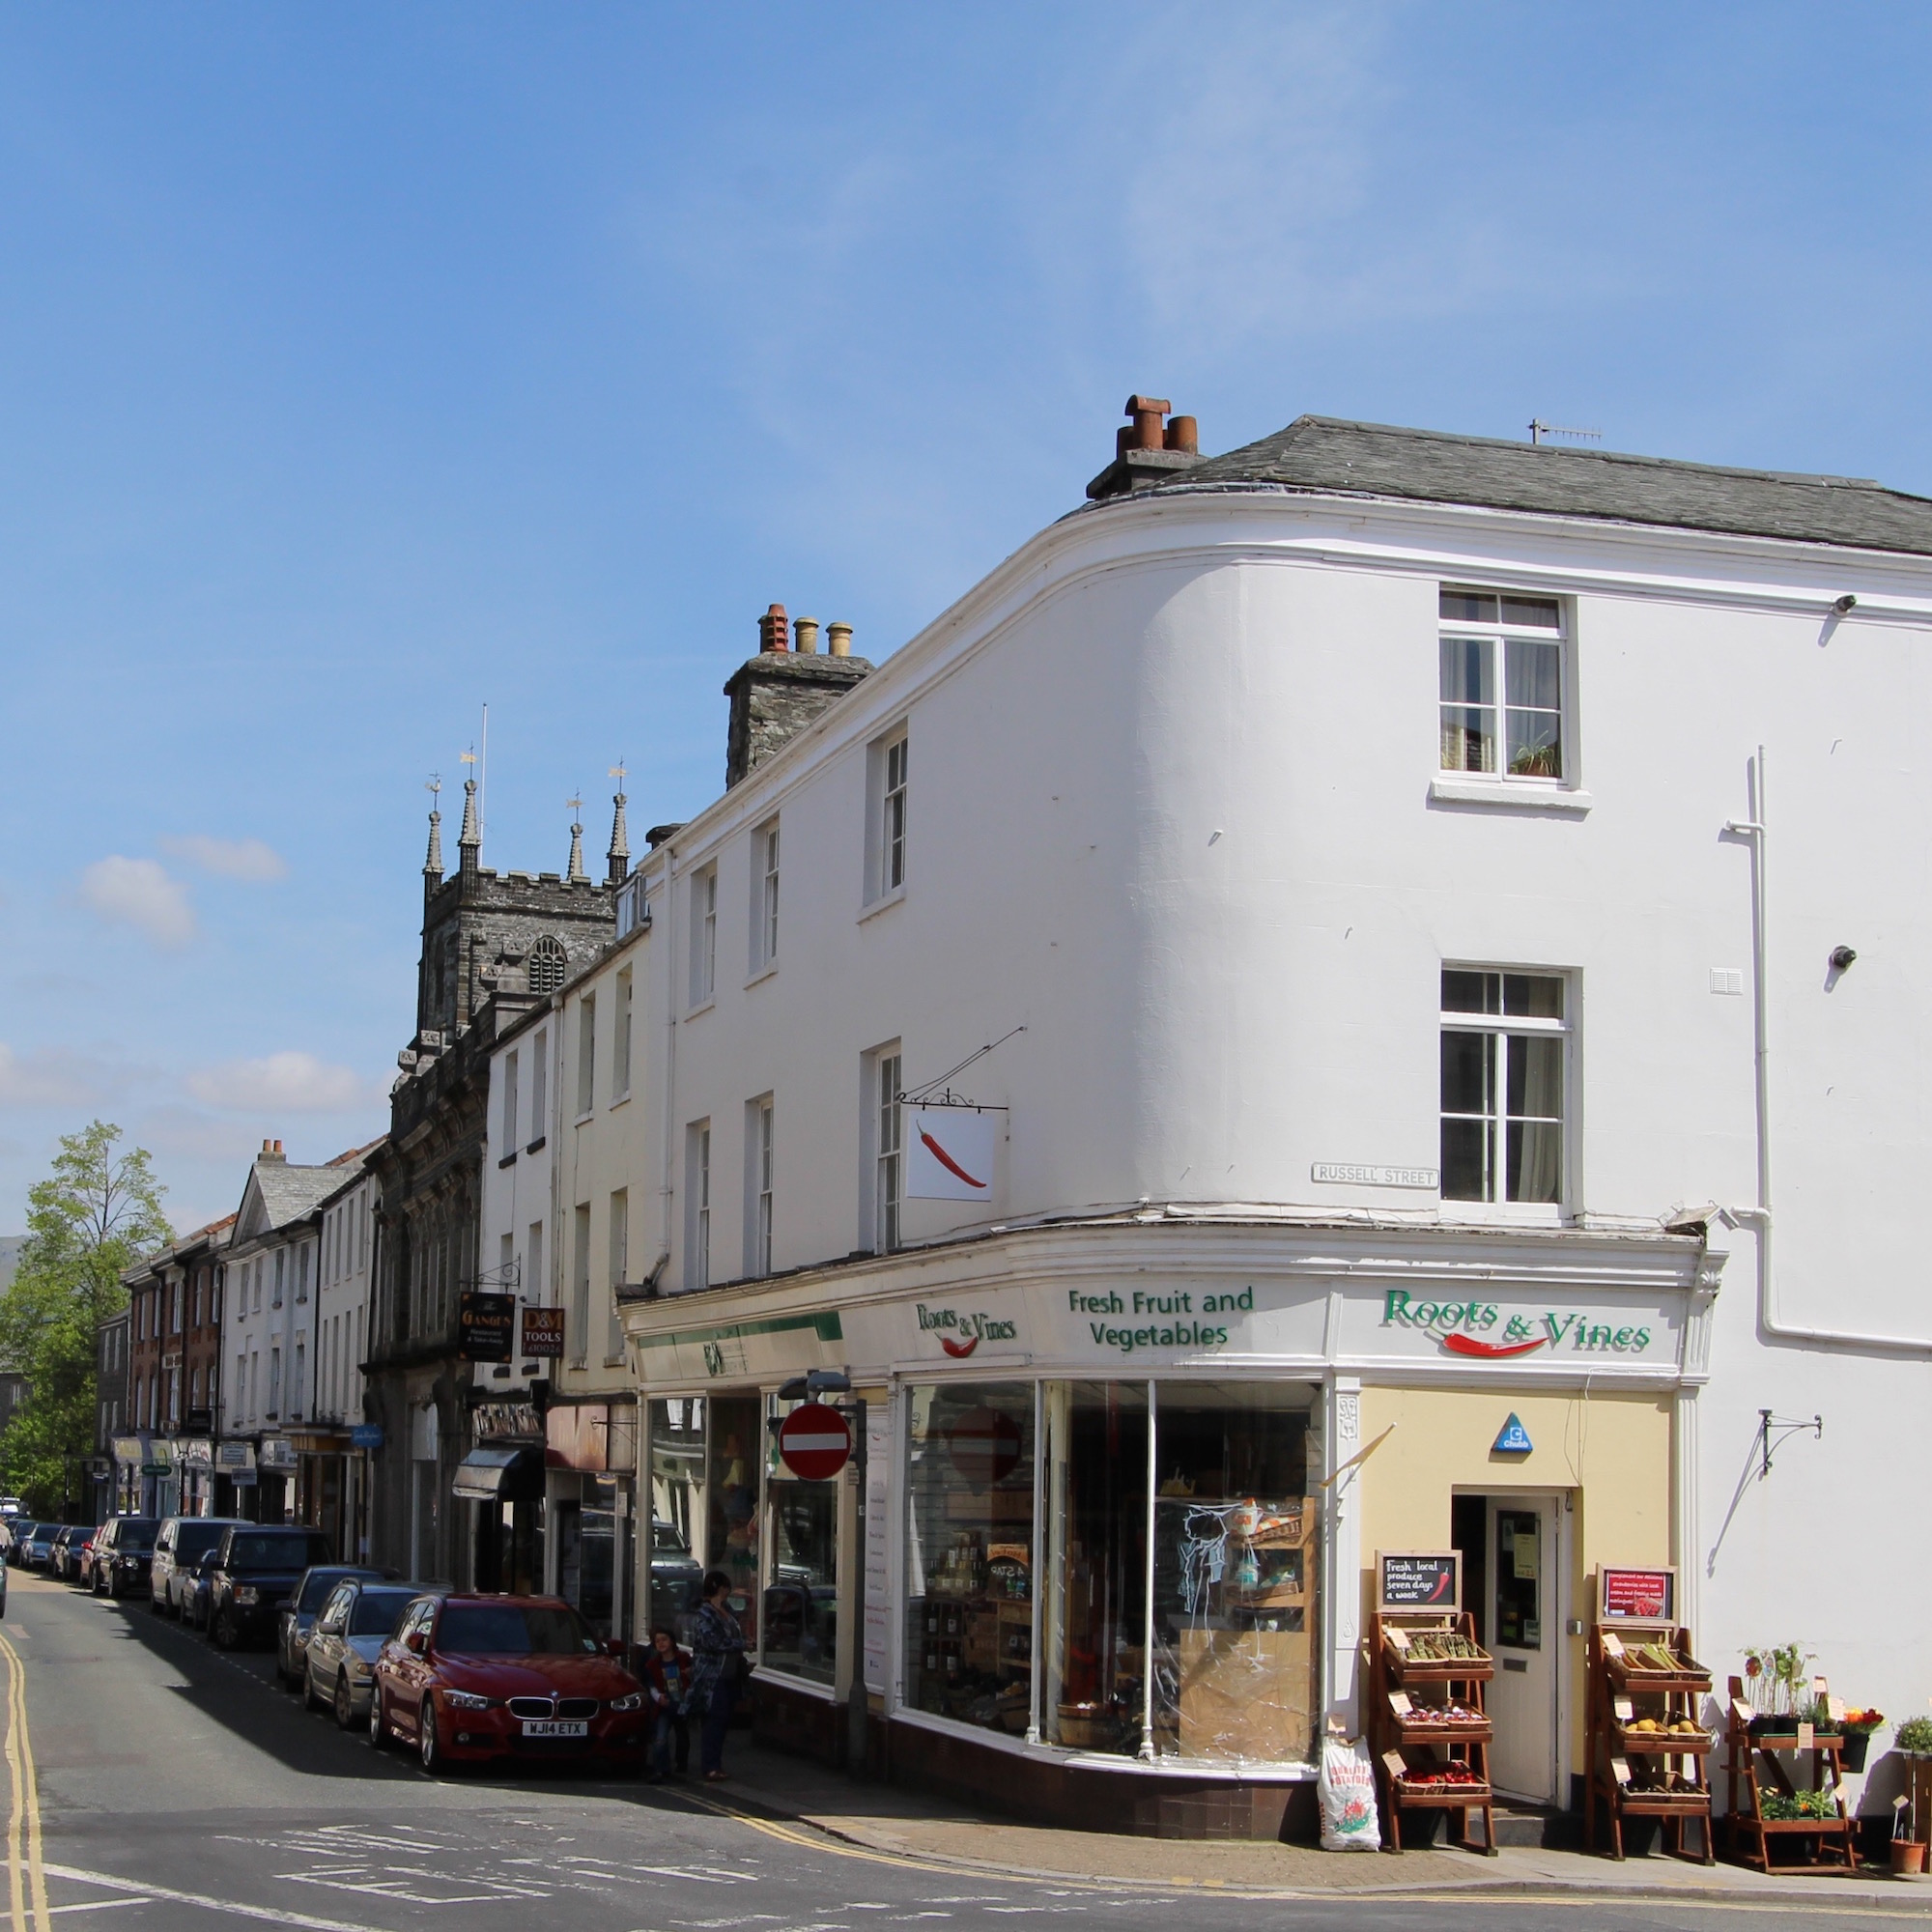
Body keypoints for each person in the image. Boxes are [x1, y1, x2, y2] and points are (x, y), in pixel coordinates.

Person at [688, 1569, 748, 1782]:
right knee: (714, 1720)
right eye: (726, 1588)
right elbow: (711, 1642)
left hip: (730, 1674)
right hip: (712, 1676)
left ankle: (716, 1764)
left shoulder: (727, 1610)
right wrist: (741, 1644)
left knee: (723, 1721)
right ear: (721, 1588)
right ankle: (710, 1767)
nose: (728, 1592)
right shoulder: (704, 1613)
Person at [641, 1624, 692, 1781]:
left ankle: (681, 1764)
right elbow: (651, 1686)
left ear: (672, 1641)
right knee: (660, 1738)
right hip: (664, 1706)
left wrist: (690, 1674)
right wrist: (658, 1698)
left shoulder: (683, 1659)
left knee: (682, 1736)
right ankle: (661, 1770)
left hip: (682, 1704)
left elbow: (694, 1678)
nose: (661, 1643)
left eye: (664, 1639)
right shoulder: (653, 1665)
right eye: (657, 1641)